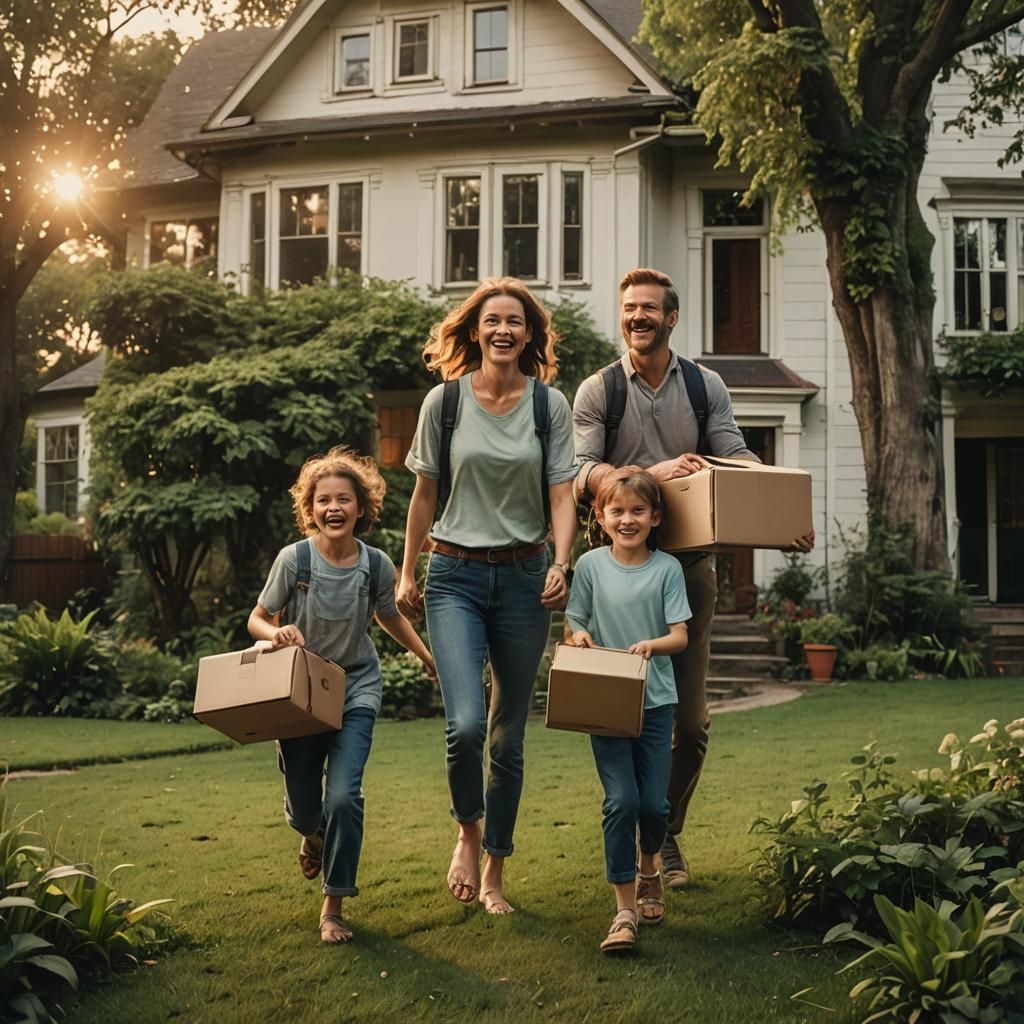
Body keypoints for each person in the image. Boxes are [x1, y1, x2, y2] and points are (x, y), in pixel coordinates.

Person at [572, 267, 814, 890]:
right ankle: (633, 827)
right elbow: (580, 473)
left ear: (671, 318)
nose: (637, 317)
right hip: (615, 575)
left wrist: (777, 509)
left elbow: (737, 454)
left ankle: (663, 832)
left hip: (688, 573)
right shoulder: (600, 391)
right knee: (617, 712)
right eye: (629, 308)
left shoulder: (705, 387)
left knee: (691, 725)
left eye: (649, 308)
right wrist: (652, 473)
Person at [397, 278, 577, 915]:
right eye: (492, 320)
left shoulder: (547, 406)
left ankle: (497, 868)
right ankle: (468, 835)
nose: (503, 330)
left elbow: (562, 494)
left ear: (530, 335)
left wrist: (562, 561)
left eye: (516, 322)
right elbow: (423, 493)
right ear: (474, 330)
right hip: (454, 576)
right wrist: (407, 569)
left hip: (527, 579)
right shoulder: (442, 404)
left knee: (507, 737)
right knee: (466, 723)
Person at [248, 446, 435, 945]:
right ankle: (311, 835)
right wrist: (275, 635)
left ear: (361, 507)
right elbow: (257, 618)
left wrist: (425, 655)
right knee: (307, 809)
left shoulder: (375, 564)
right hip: (300, 694)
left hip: (355, 686)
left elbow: (388, 615)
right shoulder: (295, 560)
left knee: (345, 797)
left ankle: (333, 906)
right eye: (324, 500)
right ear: (310, 509)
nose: (334, 508)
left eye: (344, 499)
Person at [566, 467, 690, 954]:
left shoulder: (667, 570)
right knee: (621, 802)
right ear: (600, 515)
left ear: (655, 517)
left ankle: (649, 868)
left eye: (638, 510)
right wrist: (577, 634)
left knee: (654, 806)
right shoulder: (592, 565)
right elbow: (575, 618)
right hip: (606, 700)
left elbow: (680, 635)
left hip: (656, 702)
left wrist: (652, 646)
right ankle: (623, 910)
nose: (627, 519)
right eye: (616, 510)